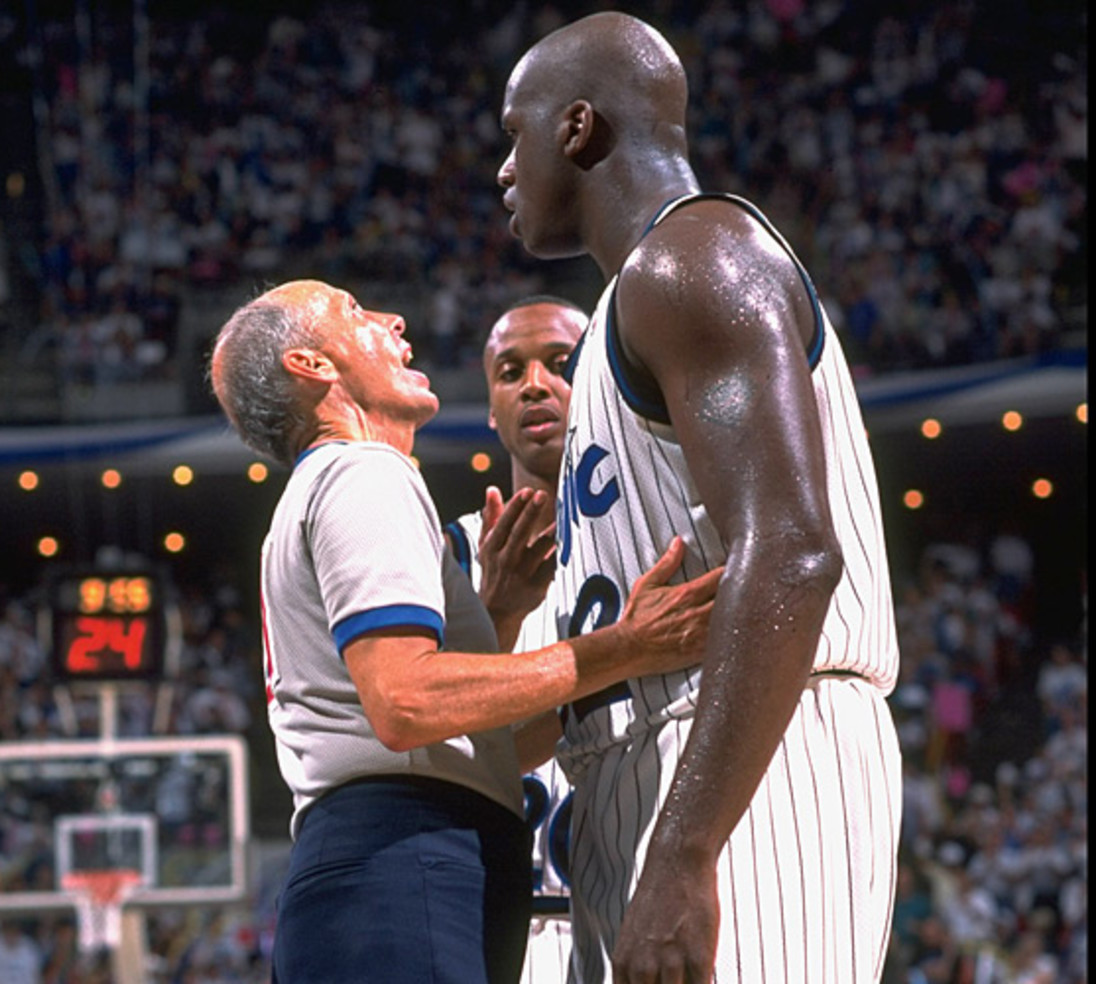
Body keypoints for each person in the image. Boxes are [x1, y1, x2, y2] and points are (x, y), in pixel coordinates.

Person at [497, 12, 903, 984]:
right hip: (645, 769)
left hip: (747, 765)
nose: (503, 173)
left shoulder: (694, 255)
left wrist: (685, 852)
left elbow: (796, 552)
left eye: (514, 137)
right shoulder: (615, 318)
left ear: (578, 127)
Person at [207, 278, 721, 984]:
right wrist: (628, 645)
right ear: (313, 365)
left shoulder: (323, 487)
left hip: (386, 861)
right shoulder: (362, 472)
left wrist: (497, 618)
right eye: (357, 312)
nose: (393, 316)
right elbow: (407, 702)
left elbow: (474, 742)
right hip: (402, 857)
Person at [444, 296, 591, 984]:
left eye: (562, 365)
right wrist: (492, 614)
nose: (536, 383)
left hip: (632, 914)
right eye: (511, 372)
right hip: (495, 931)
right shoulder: (443, 553)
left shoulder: (667, 537)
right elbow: (425, 743)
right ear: (492, 411)